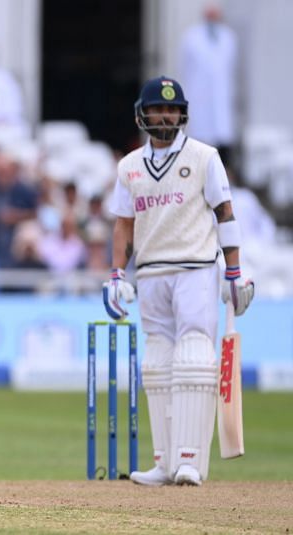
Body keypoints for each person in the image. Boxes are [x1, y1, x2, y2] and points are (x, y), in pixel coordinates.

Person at [102, 76, 254, 487]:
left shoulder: (205, 157)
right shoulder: (130, 166)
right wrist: (117, 275)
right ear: (144, 114)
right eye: (157, 109)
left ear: (181, 113)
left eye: (171, 109)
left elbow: (226, 214)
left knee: (193, 358)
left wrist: (235, 271)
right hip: (150, 271)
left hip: (195, 268)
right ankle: (165, 462)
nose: (165, 115)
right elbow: (123, 225)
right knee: (158, 364)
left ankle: (190, 461)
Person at [179, 3, 238, 168]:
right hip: (199, 98)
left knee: (222, 144)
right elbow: (184, 67)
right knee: (200, 145)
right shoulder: (191, 37)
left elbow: (230, 67)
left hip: (221, 99)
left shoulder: (228, 37)